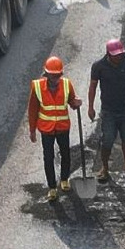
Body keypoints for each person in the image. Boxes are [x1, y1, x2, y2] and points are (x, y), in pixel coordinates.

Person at [87, 39, 125, 183]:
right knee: (107, 140)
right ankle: (104, 168)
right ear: (108, 54)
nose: (118, 57)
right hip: (108, 111)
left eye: (120, 54)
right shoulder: (98, 67)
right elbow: (92, 87)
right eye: (115, 55)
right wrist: (90, 107)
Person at [27, 56, 82, 202]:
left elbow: (71, 101)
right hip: (47, 129)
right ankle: (52, 188)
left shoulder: (66, 84)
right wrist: (32, 130)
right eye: (53, 75)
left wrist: (76, 103)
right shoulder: (37, 86)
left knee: (66, 154)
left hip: (63, 127)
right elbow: (32, 109)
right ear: (47, 74)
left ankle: (64, 179)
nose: (56, 78)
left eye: (58, 75)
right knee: (48, 157)